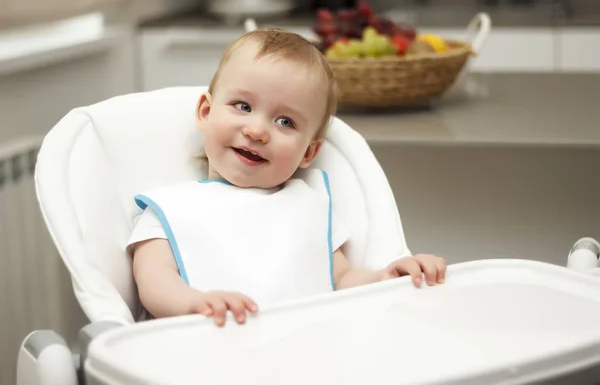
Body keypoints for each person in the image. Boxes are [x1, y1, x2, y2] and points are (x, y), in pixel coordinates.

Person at [127, 29, 447, 327]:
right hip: (209, 349)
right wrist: (196, 304)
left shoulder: (309, 204)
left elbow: (340, 280)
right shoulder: (170, 209)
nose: (257, 131)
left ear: (308, 152)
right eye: (243, 105)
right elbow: (154, 281)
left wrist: (386, 279)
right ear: (206, 113)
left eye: (285, 122)